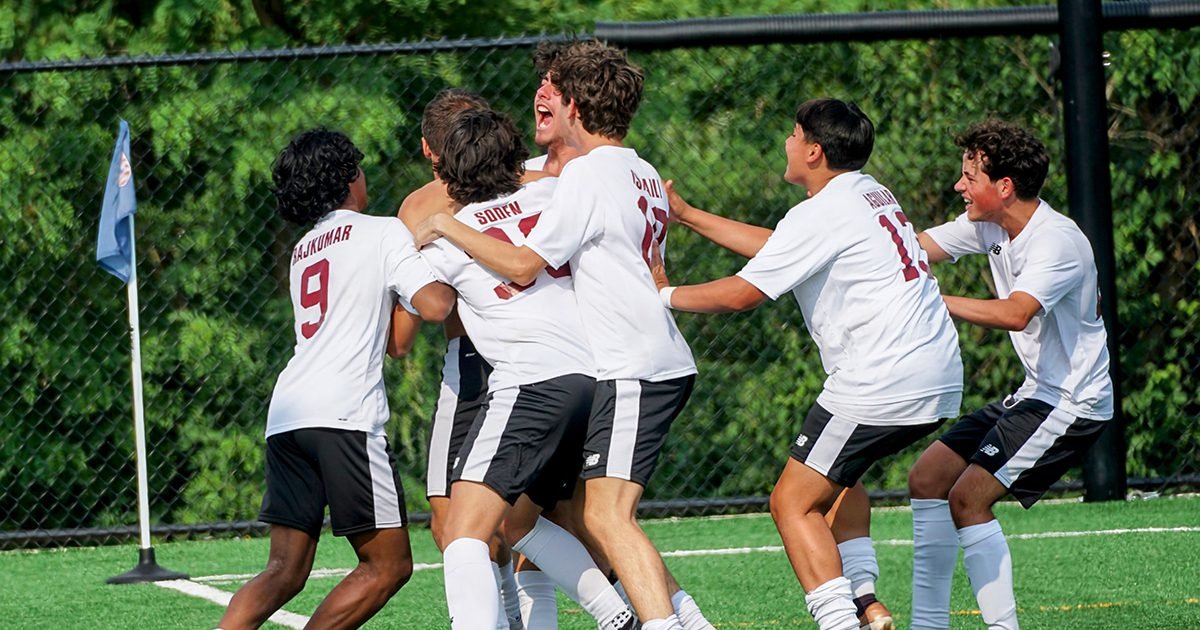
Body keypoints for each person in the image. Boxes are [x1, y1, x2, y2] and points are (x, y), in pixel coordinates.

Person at [417, 40, 707, 630]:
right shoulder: (629, 173)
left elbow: (502, 274)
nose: (543, 97)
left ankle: (672, 623)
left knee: (476, 526)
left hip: (597, 369)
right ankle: (625, 615)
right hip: (608, 368)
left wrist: (434, 226)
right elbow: (651, 268)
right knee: (545, 520)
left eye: (554, 88)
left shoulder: (577, 179)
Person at [655, 98, 963, 630]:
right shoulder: (869, 193)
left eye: (794, 135)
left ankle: (841, 621)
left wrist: (663, 294)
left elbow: (741, 295)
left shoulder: (821, 211)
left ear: (814, 151)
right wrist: (686, 216)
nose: (786, 143)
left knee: (790, 503)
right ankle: (866, 602)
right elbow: (782, 249)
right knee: (839, 476)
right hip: (936, 374)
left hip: (880, 378)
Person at [218, 129, 454, 630]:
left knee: (282, 571)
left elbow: (393, 340)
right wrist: (444, 248)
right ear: (350, 178)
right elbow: (435, 306)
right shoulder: (383, 231)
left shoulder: (306, 247)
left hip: (287, 414)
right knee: (389, 566)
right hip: (344, 414)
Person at [418, 108, 637, 630]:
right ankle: (617, 616)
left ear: (449, 176)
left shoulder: (452, 236)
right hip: (596, 379)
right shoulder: (550, 195)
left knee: (463, 532)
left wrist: (410, 246)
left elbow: (430, 308)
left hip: (533, 382)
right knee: (518, 522)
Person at [908, 120, 1114, 630]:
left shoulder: (1057, 241)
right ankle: (928, 625)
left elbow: (1016, 313)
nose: (959, 186)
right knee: (927, 478)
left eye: (969, 176)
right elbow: (911, 248)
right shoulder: (990, 224)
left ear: (1004, 187)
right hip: (1035, 395)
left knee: (968, 499)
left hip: (1072, 404)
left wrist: (928, 298)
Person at [389, 88, 521, 630]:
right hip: (557, 354)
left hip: (475, 363)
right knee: (538, 516)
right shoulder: (535, 183)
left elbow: (400, 339)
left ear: (428, 149)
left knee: (452, 524)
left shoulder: (422, 206)